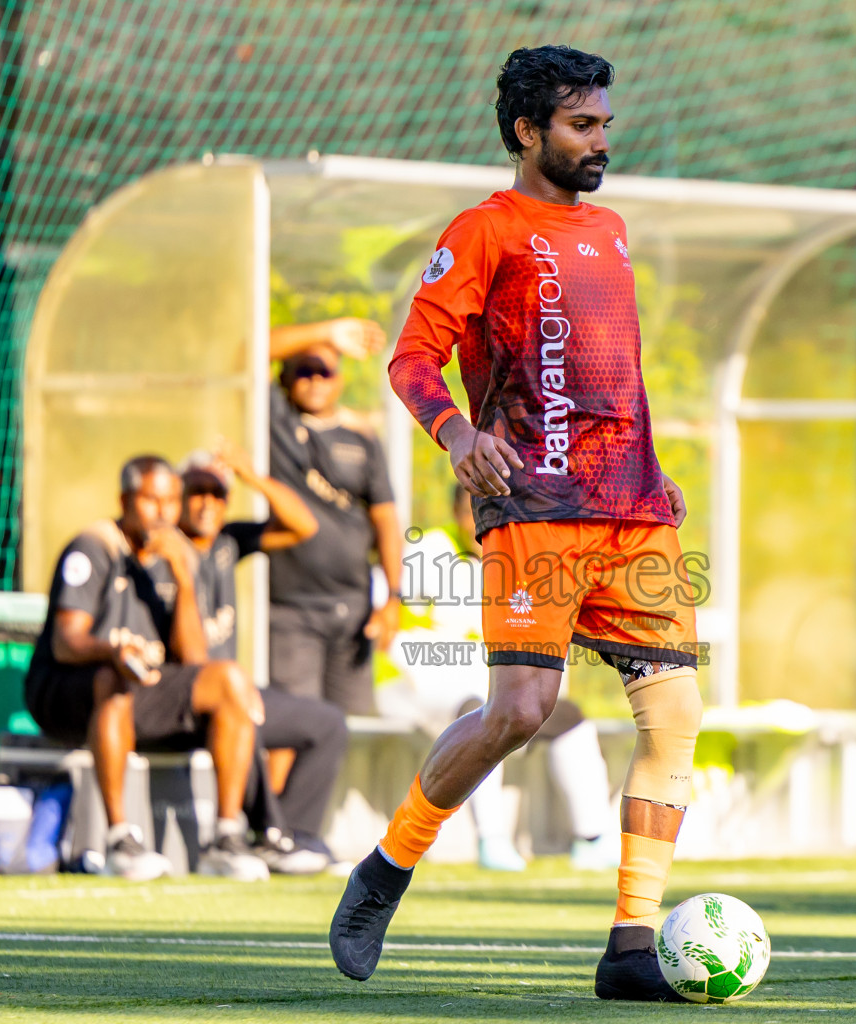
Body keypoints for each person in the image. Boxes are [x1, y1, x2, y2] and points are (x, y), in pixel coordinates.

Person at [329, 46, 703, 1003]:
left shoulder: (611, 230)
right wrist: (457, 435)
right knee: (520, 714)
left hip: (633, 511)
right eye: (582, 126)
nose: (601, 141)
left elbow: (614, 373)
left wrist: (652, 469)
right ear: (527, 131)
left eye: (605, 123)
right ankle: (386, 868)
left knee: (675, 717)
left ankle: (630, 947)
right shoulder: (483, 230)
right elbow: (412, 358)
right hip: (535, 508)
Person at [24, 455, 269, 882]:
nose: (164, 512)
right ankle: (121, 842)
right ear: (124, 500)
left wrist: (184, 577)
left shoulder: (176, 555)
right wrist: (113, 650)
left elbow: (195, 662)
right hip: (66, 691)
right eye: (152, 500)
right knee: (114, 679)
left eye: (172, 501)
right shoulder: (95, 546)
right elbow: (66, 641)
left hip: (140, 690)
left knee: (229, 679)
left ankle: (225, 839)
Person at [385, 483, 620, 872]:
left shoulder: (520, 562)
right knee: (480, 712)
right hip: (411, 683)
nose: (485, 522)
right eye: (475, 511)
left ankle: (593, 838)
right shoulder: (428, 552)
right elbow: (384, 616)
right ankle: (491, 840)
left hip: (483, 687)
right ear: (459, 512)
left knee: (567, 715)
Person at [178, 440, 348, 874]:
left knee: (327, 723)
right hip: (187, 696)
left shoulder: (227, 542)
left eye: (217, 493)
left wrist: (251, 475)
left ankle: (294, 835)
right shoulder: (166, 548)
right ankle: (267, 834)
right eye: (196, 492)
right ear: (177, 496)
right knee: (241, 713)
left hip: (233, 690)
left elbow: (304, 525)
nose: (207, 503)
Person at [267, 318, 402, 715]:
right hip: (291, 612)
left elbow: (386, 520)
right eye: (303, 371)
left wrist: (393, 597)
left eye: (324, 371)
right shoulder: (275, 422)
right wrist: (328, 334)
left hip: (352, 612)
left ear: (340, 379)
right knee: (298, 724)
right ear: (285, 378)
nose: (315, 380)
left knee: (353, 728)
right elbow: (252, 350)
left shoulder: (362, 438)